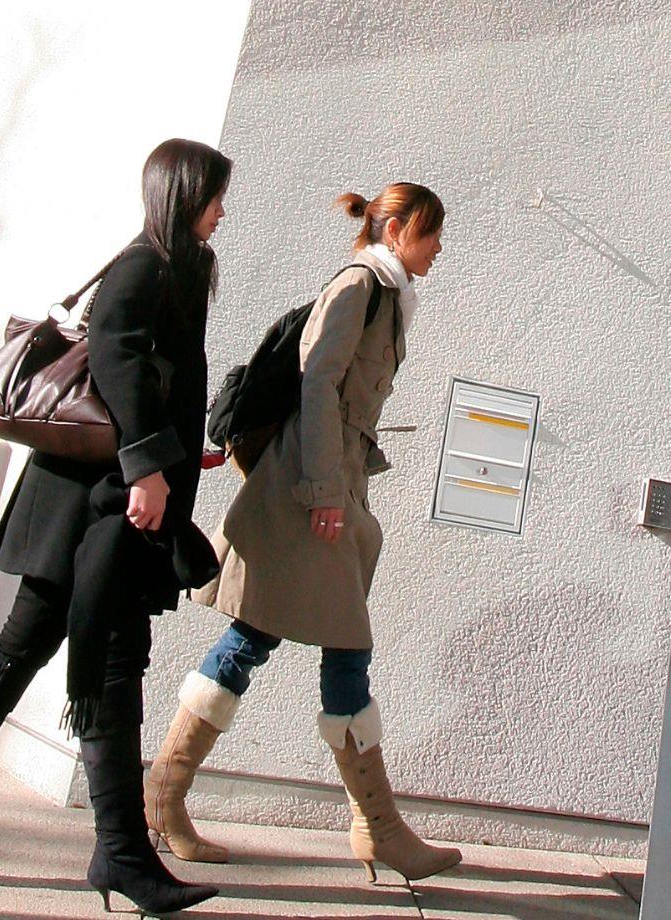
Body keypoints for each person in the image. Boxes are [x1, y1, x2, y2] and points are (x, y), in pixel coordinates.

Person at [0, 138, 230, 915]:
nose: (221, 209)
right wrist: (146, 466)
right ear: (181, 193)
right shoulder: (143, 265)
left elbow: (154, 377)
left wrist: (174, 455)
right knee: (107, 658)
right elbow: (113, 354)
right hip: (97, 504)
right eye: (213, 194)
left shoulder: (179, 268)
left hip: (98, 499)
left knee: (23, 648)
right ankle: (121, 856)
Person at [141, 183, 462, 883]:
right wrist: (324, 492)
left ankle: (166, 791)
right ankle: (375, 827)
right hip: (307, 492)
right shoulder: (360, 287)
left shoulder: (389, 295)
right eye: (433, 234)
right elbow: (317, 385)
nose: (440, 249)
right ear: (401, 228)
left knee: (256, 637)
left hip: (332, 485)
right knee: (338, 643)